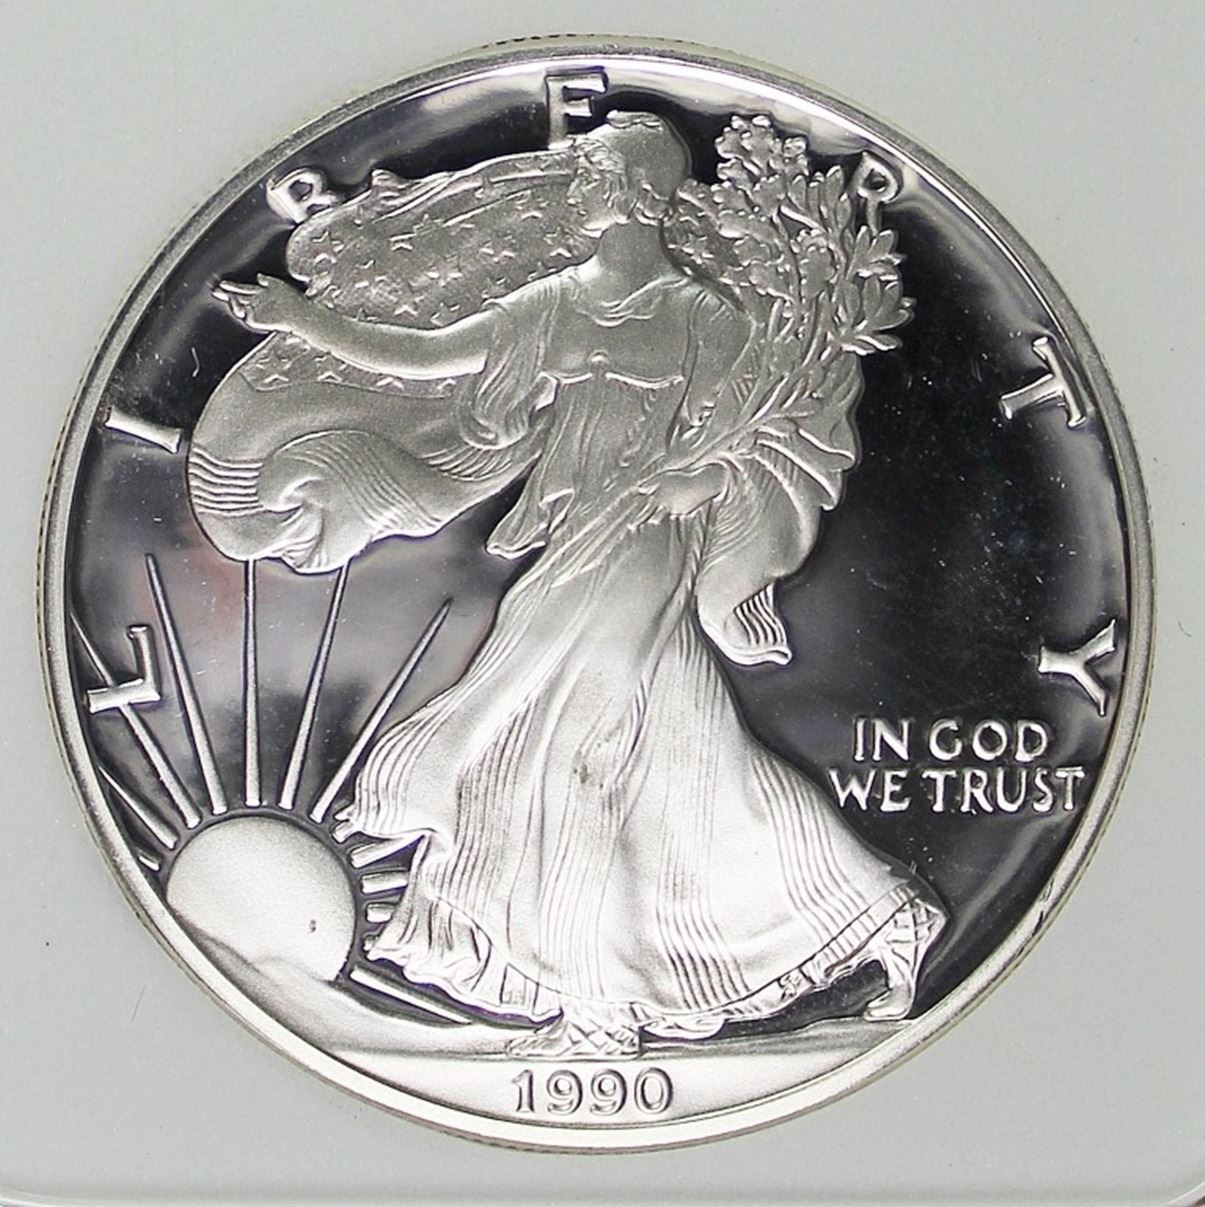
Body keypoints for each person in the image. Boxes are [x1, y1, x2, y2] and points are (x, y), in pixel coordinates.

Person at [211, 112, 945, 1058]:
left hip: (646, 546)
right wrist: (301, 320)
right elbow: (429, 354)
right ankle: (875, 916)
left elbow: (760, 436)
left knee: (568, 743)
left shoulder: (704, 319)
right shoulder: (556, 302)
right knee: (678, 754)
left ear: (634, 195)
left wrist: (700, 478)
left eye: (593, 177)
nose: (579, 192)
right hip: (576, 539)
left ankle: (598, 1003)